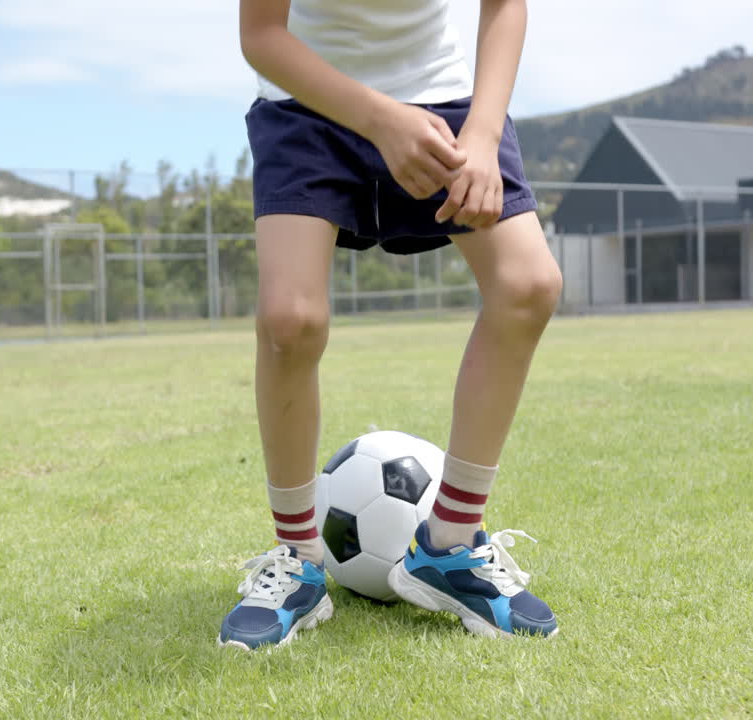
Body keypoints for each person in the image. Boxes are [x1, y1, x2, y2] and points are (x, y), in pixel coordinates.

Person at [219, 0, 563, 651]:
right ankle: (297, 558)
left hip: (448, 103)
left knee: (529, 285)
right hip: (307, 105)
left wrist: (484, 138)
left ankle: (449, 547)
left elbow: (504, 6)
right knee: (290, 321)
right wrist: (380, 118)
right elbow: (262, 35)